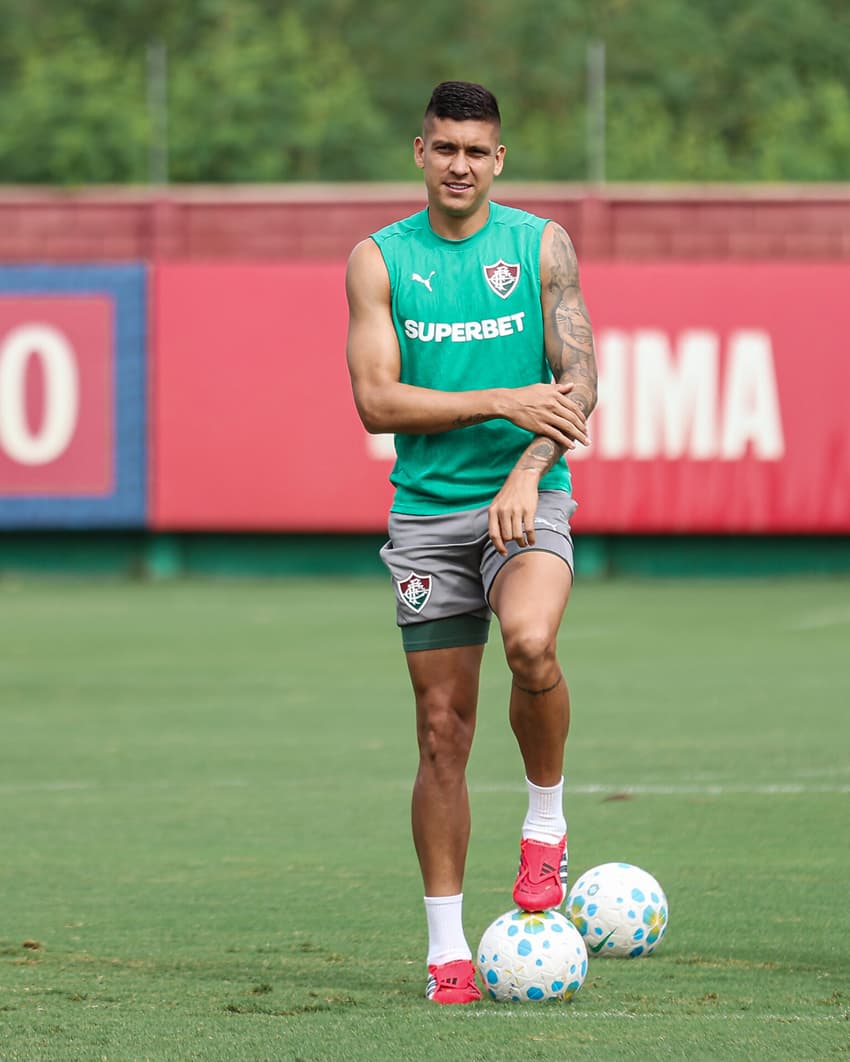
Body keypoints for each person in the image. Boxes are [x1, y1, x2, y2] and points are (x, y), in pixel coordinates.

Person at [345, 80, 597, 1005]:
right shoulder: (378, 261)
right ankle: (447, 950)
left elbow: (580, 377)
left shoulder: (540, 245)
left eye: (476, 151)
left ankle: (545, 823)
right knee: (441, 733)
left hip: (526, 499)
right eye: (444, 148)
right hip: (425, 516)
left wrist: (530, 469)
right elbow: (378, 402)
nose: (460, 165)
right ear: (420, 152)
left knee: (533, 643)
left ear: (500, 160)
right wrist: (498, 396)